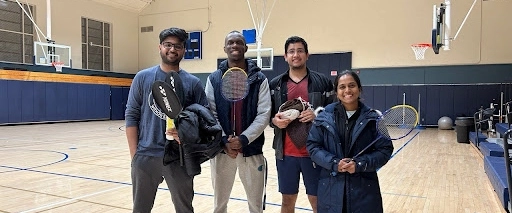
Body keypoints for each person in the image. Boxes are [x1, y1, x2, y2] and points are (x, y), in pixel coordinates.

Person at [125, 27, 208, 213]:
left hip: (179, 157)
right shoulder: (142, 77)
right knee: (140, 209)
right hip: (146, 156)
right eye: (168, 45)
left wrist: (186, 133)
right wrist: (135, 156)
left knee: (184, 209)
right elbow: (131, 115)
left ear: (184, 50)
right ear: (159, 47)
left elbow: (204, 119)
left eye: (177, 46)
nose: (172, 49)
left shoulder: (193, 83)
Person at [306, 70, 394, 213]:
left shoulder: (374, 118)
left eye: (351, 85)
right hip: (330, 191)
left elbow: (385, 150)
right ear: (336, 91)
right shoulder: (323, 116)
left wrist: (359, 164)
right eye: (342, 87)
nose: (347, 90)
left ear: (359, 89)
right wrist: (334, 163)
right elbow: (313, 146)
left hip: (364, 193)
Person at [205, 30, 271, 213]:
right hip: (222, 152)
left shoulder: (259, 79)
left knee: (256, 206)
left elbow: (264, 114)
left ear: (245, 47)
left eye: (239, 42)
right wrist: (224, 140)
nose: (235, 45)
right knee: (219, 205)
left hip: (251, 150)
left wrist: (243, 139)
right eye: (231, 42)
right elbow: (211, 115)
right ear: (224, 48)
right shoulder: (213, 79)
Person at [269, 36, 334, 213]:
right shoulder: (276, 85)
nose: (295, 55)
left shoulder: (322, 82)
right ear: (285, 56)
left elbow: (335, 112)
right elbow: (268, 116)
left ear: (307, 55)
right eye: (291, 51)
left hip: (315, 153)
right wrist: (275, 121)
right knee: (287, 201)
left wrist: (317, 115)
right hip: (286, 154)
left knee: (317, 201)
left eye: (299, 51)